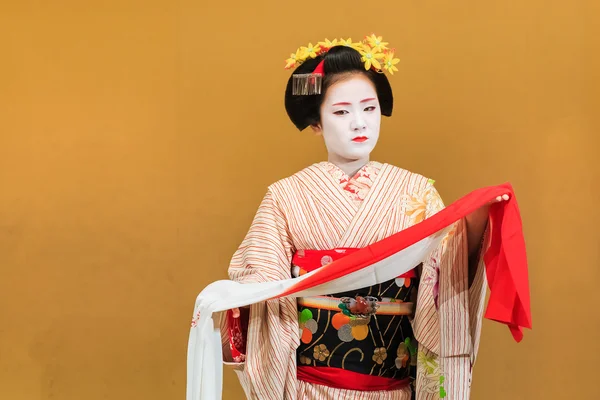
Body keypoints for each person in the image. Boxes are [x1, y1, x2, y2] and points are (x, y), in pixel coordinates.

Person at [218, 35, 507, 399]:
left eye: (369, 109)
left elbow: (444, 277)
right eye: (341, 112)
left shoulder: (416, 192)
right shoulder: (286, 196)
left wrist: (476, 222)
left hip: (393, 386)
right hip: (310, 389)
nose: (359, 123)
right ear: (316, 122)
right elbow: (259, 282)